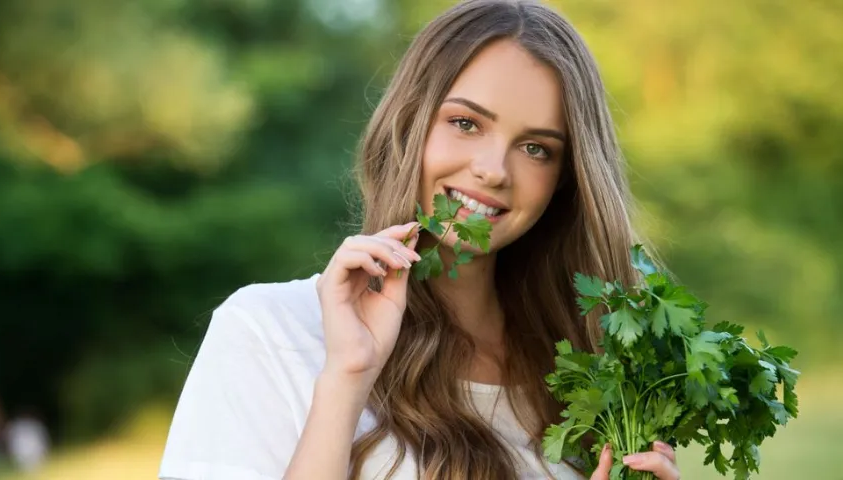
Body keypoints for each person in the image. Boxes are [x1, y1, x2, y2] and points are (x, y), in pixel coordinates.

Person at [158, 1, 681, 479]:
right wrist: (347, 377)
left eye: (536, 148)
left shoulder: (589, 373)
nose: (494, 170)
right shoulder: (271, 331)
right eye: (465, 122)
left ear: (567, 178)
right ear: (408, 124)